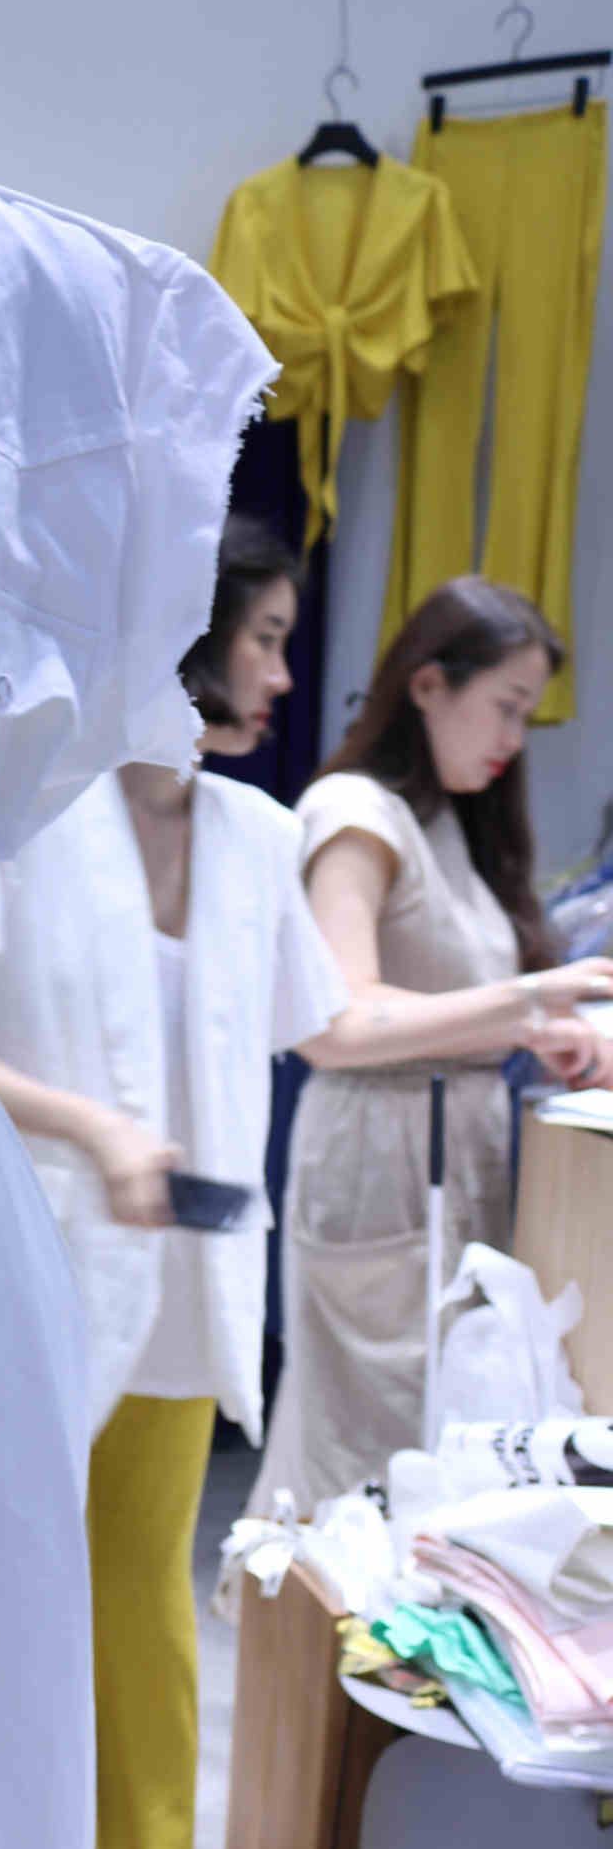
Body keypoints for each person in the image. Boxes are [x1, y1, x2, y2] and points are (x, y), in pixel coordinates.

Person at [0, 515, 348, 1849]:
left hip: (188, 1278)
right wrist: (95, 1129)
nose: (283, 676)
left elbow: (327, 1028)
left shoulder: (260, 838)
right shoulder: (19, 815)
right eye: (264, 639)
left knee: (144, 1603)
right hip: (30, 1266)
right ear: (183, 638)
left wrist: (529, 1008)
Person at [251, 577, 613, 1521]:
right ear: (426, 685)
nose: (514, 738)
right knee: (363, 1460)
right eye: (506, 706)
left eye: (526, 715)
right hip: (382, 1158)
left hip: (461, 1152)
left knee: (440, 1448)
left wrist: (542, 1033)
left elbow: (454, 1008)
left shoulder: (451, 822)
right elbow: (335, 1023)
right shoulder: (355, 811)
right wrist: (525, 1004)